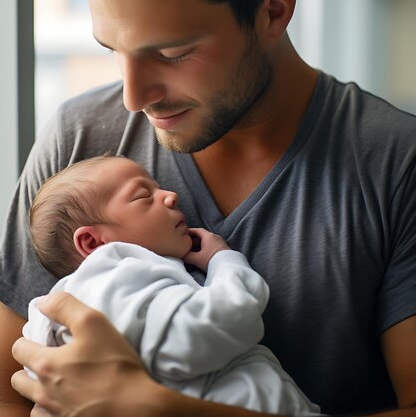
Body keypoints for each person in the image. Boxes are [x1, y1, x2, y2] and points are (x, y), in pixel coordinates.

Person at [0, 0, 416, 417]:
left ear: (274, 10)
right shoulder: (79, 140)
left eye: (172, 53)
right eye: (113, 51)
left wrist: (158, 409)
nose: (133, 98)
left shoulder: (395, 163)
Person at [24, 154, 320, 416]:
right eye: (143, 196)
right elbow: (211, 329)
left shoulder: (80, 302)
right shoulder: (115, 276)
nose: (171, 195)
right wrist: (225, 262)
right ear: (93, 242)